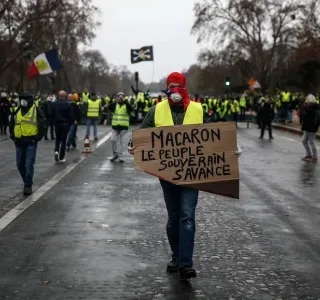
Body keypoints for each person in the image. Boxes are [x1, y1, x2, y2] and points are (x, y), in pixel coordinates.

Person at [128, 72, 206, 279]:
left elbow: (214, 136)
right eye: (171, 86)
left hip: (192, 173)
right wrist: (133, 144)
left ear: (184, 88)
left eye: (178, 86)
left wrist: (231, 149)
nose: (175, 90)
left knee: (187, 216)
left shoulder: (198, 109)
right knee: (174, 218)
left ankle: (186, 264)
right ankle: (176, 255)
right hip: (168, 174)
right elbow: (143, 133)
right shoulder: (157, 110)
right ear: (166, 88)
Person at [9, 91, 47, 195]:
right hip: (19, 142)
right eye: (21, 99)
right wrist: (12, 136)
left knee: (28, 165)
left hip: (31, 142)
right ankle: (26, 181)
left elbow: (43, 124)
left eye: (24, 99)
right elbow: (12, 123)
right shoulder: (17, 110)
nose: (22, 101)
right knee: (19, 165)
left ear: (29, 100)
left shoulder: (36, 110)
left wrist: (37, 138)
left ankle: (28, 186)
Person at [108, 92, 133, 162]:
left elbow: (131, 109)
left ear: (124, 98)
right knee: (112, 140)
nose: (120, 98)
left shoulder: (126, 105)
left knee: (122, 142)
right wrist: (114, 101)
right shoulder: (114, 105)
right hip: (115, 126)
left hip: (123, 127)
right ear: (117, 97)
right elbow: (109, 107)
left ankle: (121, 156)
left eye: (122, 97)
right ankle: (115, 154)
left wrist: (126, 102)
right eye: (119, 97)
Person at [52, 90, 74, 163]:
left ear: (59, 95)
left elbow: (52, 113)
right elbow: (70, 115)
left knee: (57, 139)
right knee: (63, 140)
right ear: (65, 96)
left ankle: (56, 151)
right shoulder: (68, 104)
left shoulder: (54, 104)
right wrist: (71, 122)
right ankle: (61, 157)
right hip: (65, 123)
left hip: (57, 123)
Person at [301, 94, 320, 162]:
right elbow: (305, 115)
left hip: (311, 127)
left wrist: (314, 125)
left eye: (308, 101)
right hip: (307, 127)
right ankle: (309, 154)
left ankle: (314, 156)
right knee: (304, 141)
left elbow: (317, 118)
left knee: (311, 142)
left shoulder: (315, 108)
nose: (307, 102)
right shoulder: (308, 107)